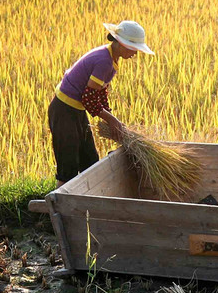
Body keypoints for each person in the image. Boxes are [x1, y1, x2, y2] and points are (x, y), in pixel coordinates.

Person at [49, 20, 154, 188]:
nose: (136, 54)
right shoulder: (103, 61)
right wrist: (113, 121)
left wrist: (110, 116)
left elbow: (100, 92)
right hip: (64, 110)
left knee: (89, 161)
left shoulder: (110, 58)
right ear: (121, 43)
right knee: (68, 165)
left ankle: (88, 205)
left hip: (76, 111)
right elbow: (89, 99)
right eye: (134, 49)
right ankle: (57, 207)